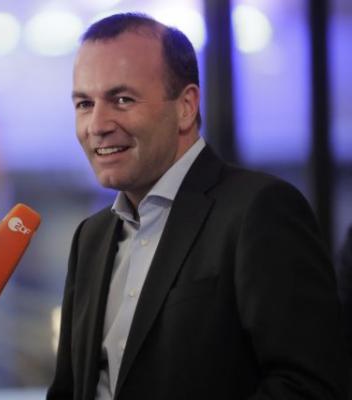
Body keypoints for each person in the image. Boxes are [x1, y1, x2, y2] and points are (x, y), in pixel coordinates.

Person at [48, 12, 349, 400]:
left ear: (186, 107)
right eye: (84, 104)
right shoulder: (91, 237)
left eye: (122, 100)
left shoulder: (261, 210)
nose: (97, 124)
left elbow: (309, 386)